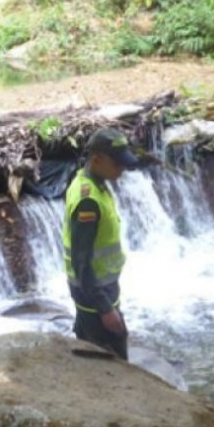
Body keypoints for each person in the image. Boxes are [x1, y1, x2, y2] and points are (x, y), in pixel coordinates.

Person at [62, 128, 139, 360]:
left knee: (94, 349)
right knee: (111, 358)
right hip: (93, 295)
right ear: (97, 159)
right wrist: (105, 309)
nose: (122, 169)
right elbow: (81, 261)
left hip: (100, 289)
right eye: (117, 164)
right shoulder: (88, 201)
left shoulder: (91, 180)